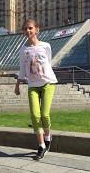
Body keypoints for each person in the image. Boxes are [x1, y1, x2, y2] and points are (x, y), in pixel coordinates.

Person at [14, 19, 58, 160]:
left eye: (30, 28)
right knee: (35, 115)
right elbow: (22, 69)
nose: (28, 31)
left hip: (48, 83)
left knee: (45, 114)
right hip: (32, 85)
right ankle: (41, 146)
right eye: (25, 29)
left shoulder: (46, 46)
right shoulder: (23, 49)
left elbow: (48, 63)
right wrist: (17, 84)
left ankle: (48, 137)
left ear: (37, 29)